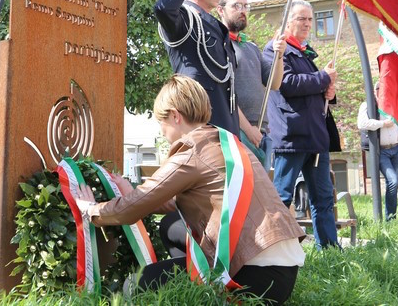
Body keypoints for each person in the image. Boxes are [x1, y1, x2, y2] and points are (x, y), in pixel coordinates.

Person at [75, 75, 305, 303]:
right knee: (170, 225)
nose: (162, 134)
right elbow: (175, 201)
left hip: (253, 280)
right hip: (283, 277)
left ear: (175, 116)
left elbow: (130, 211)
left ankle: (207, 290)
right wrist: (132, 191)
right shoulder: (227, 141)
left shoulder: (191, 153)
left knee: (134, 285)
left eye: (161, 124)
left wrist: (91, 209)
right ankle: (198, 291)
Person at [261, 0, 341, 249]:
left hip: (315, 137)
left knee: (323, 198)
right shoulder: (276, 50)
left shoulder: (305, 52)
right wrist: (322, 78)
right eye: (301, 18)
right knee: (282, 197)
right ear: (287, 22)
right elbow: (288, 84)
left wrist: (329, 91)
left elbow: (312, 88)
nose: (307, 24)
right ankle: (272, 248)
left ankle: (329, 248)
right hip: (292, 137)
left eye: (310, 19)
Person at [155, 0, 239, 133]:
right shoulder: (183, 19)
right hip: (199, 122)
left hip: (225, 122)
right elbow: (163, 8)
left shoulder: (213, 23)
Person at [217, 0, 284, 169]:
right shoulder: (219, 46)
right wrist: (248, 130)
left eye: (246, 6)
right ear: (220, 10)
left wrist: (279, 55)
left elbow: (274, 83)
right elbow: (223, 93)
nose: (242, 11)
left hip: (261, 130)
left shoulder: (251, 47)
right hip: (236, 130)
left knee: (259, 192)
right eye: (236, 6)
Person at [357, 83, 398, 221]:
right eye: (379, 90)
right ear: (375, 92)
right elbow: (362, 124)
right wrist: (383, 124)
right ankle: (390, 218)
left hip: (396, 148)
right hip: (381, 151)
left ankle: (391, 218)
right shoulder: (367, 105)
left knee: (394, 183)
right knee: (393, 181)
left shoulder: (393, 105)